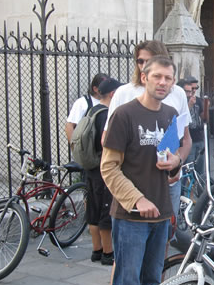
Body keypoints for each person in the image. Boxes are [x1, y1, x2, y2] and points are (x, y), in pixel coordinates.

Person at [99, 56, 183, 285]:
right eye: (158, 76)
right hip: (131, 217)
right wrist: (136, 199)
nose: (163, 83)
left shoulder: (171, 114)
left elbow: (172, 157)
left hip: (161, 215)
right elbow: (109, 168)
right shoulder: (124, 115)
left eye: (169, 78)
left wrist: (173, 162)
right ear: (144, 76)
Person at [105, 40, 192, 222]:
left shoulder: (177, 95)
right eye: (140, 61)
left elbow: (184, 140)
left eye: (149, 61)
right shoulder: (124, 94)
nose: (144, 66)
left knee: (166, 234)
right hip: (135, 181)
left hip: (168, 181)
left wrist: (177, 161)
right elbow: (108, 142)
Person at [84, 77, 122, 267]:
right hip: (102, 168)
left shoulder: (92, 110)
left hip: (90, 168)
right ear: (113, 94)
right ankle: (108, 253)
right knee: (105, 210)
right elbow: (106, 142)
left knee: (92, 208)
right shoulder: (106, 115)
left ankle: (96, 250)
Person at [65, 73, 108, 141]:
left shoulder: (110, 101)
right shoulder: (82, 102)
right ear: (95, 89)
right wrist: (75, 148)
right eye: (104, 87)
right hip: (87, 147)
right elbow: (69, 126)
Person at [182, 76, 205, 164]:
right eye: (192, 88)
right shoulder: (182, 100)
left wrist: (206, 107)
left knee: (200, 167)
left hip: (199, 137)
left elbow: (204, 118)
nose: (194, 90)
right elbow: (182, 117)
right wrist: (190, 105)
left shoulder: (198, 100)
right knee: (189, 166)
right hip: (188, 138)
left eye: (196, 88)